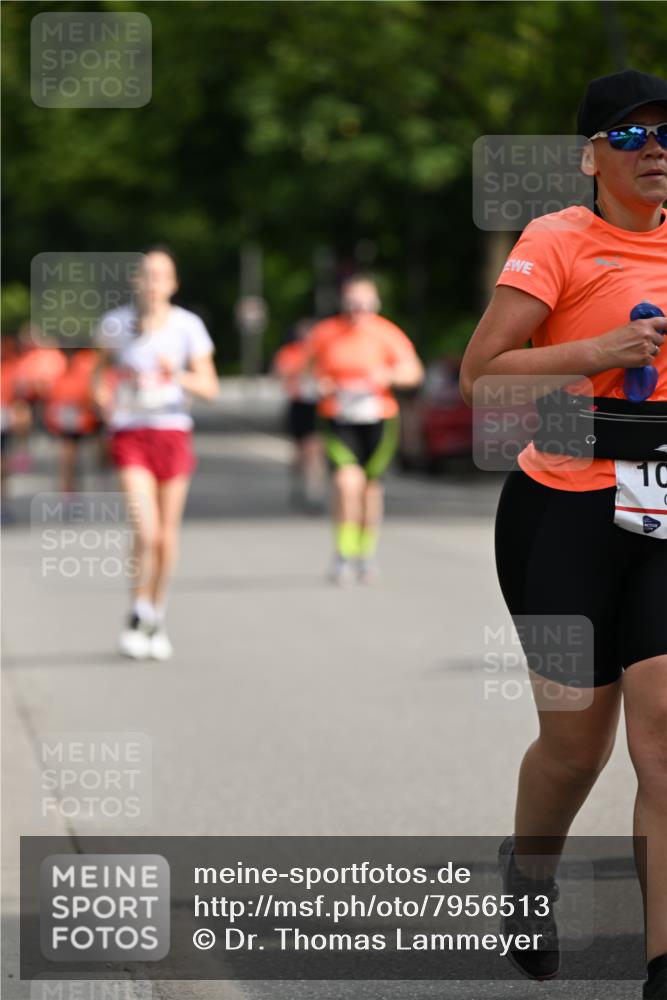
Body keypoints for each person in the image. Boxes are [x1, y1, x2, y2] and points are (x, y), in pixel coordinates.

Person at [460, 70, 667, 998]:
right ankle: (530, 869)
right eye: (629, 137)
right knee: (576, 747)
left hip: (663, 505)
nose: (654, 150)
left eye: (665, 135)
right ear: (590, 158)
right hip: (563, 506)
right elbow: (482, 378)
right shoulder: (556, 241)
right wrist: (595, 354)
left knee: (661, 743)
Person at [93, 247, 218, 661]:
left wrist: (175, 374)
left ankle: (156, 614)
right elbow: (98, 377)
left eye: (162, 276)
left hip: (172, 432)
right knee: (144, 530)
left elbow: (210, 388)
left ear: (173, 283)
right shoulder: (115, 324)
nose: (153, 283)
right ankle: (137, 611)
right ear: (136, 281)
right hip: (131, 434)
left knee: (166, 536)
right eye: (146, 275)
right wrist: (105, 404)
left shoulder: (187, 327)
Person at [306, 275, 423, 584]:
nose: (358, 308)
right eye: (352, 302)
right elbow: (301, 372)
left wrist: (389, 376)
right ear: (344, 303)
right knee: (347, 484)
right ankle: (344, 554)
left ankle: (366, 553)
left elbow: (413, 372)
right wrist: (319, 384)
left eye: (364, 303)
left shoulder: (386, 334)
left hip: (379, 420)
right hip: (338, 418)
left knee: (370, 489)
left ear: (375, 304)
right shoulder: (325, 333)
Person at [272, 318, 325, 510]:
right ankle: (298, 485)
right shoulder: (290, 352)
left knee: (315, 450)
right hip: (297, 404)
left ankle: (315, 493)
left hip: (317, 405)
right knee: (299, 451)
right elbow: (278, 374)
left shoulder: (322, 351)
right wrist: (296, 372)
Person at [43, 349, 103, 494]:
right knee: (67, 456)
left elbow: (89, 396)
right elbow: (51, 398)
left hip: (80, 420)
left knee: (76, 456)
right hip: (64, 421)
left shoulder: (82, 375)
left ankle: (74, 486)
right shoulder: (58, 376)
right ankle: (68, 489)